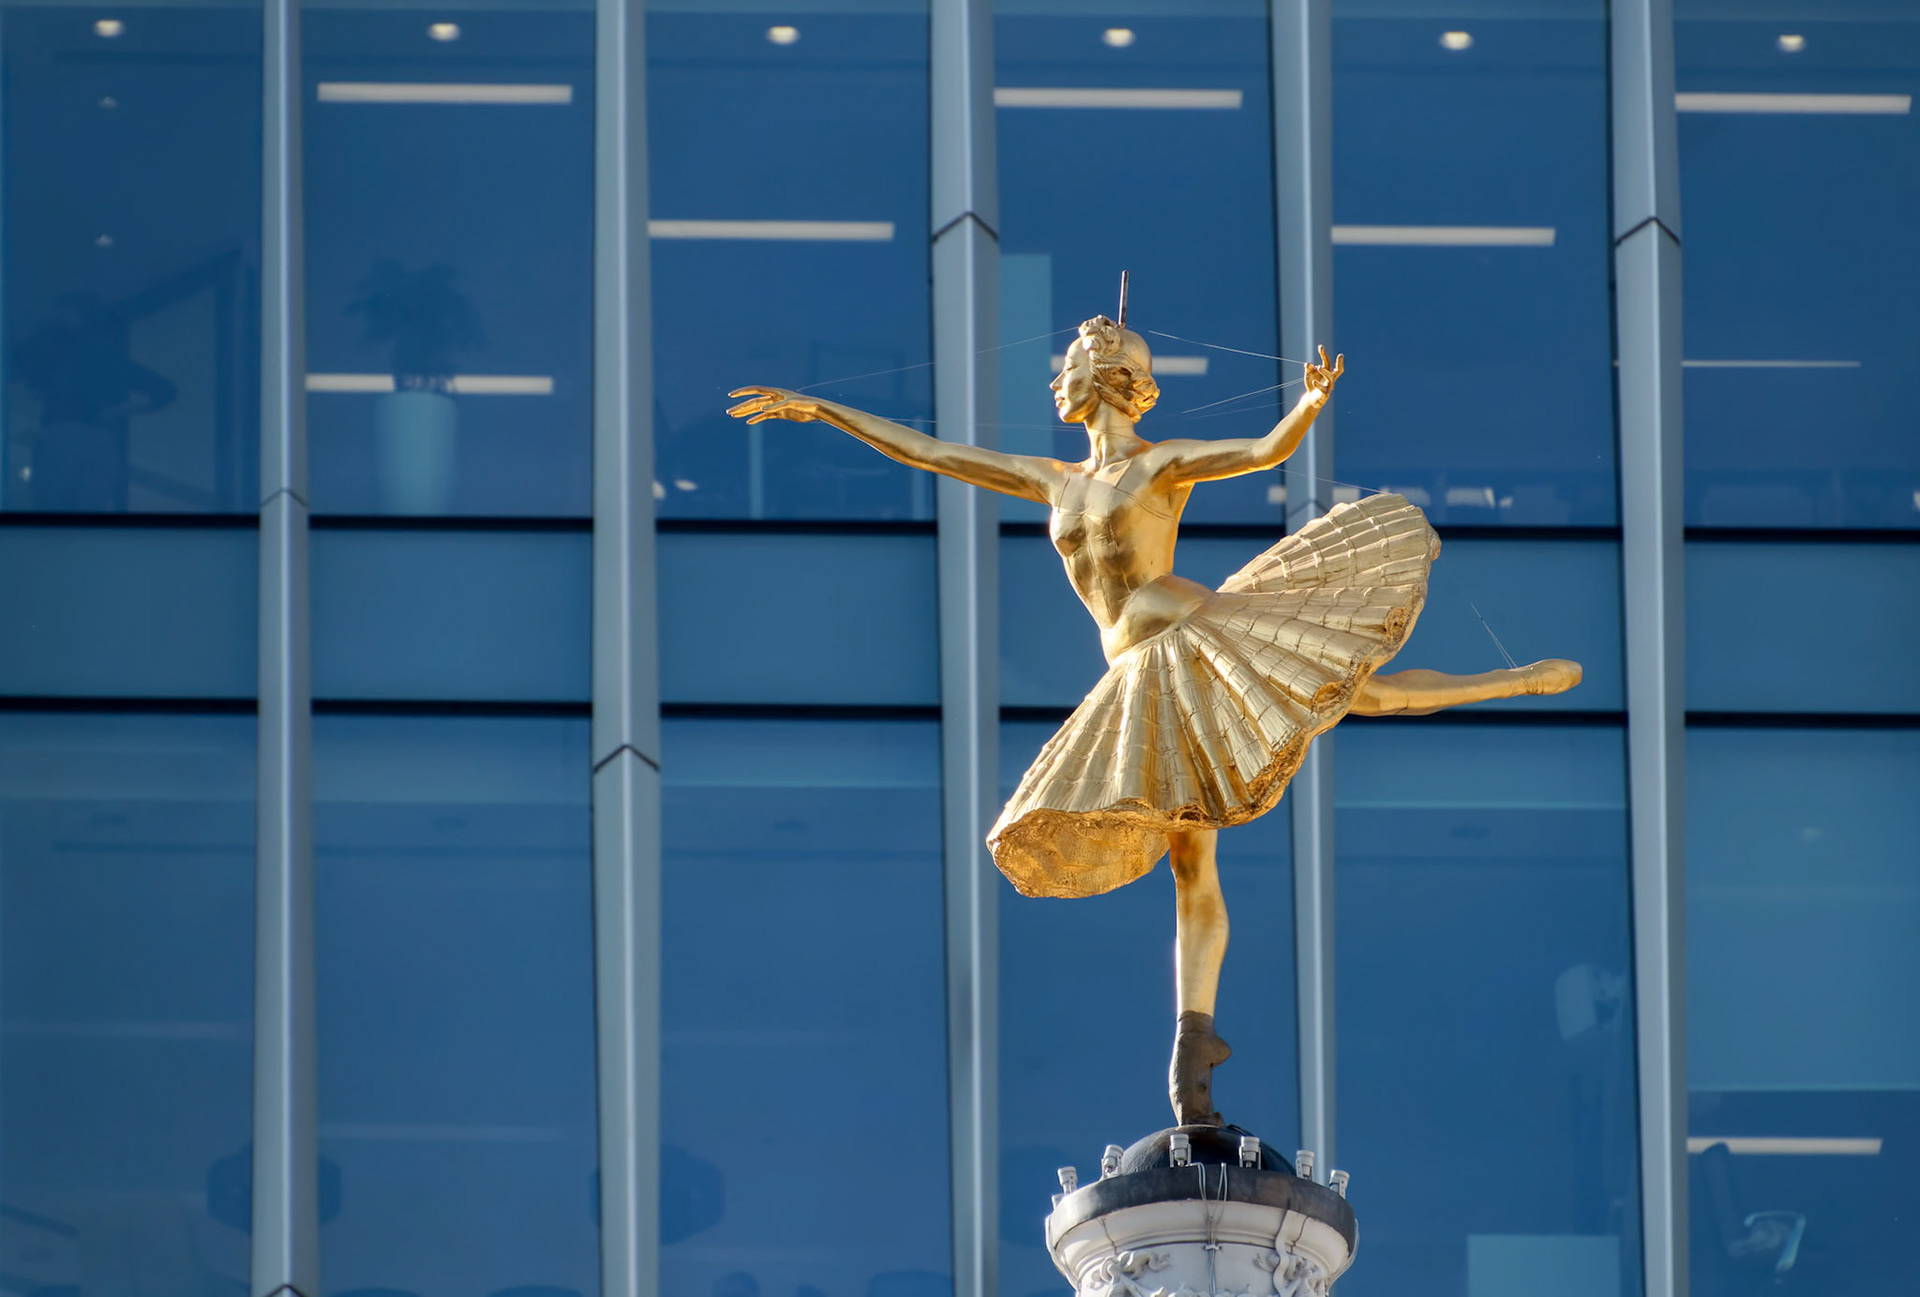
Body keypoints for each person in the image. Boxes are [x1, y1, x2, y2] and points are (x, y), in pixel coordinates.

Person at [728, 315, 1580, 1126]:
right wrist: (823, 408)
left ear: (1102, 376)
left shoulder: (1159, 464)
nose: (1053, 377)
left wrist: (1309, 406)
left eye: (1065, 364)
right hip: (1139, 672)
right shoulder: (1053, 478)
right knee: (1190, 859)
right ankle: (1192, 1038)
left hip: (1187, 628)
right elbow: (935, 453)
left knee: (1356, 693)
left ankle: (1517, 679)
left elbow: (1257, 452)